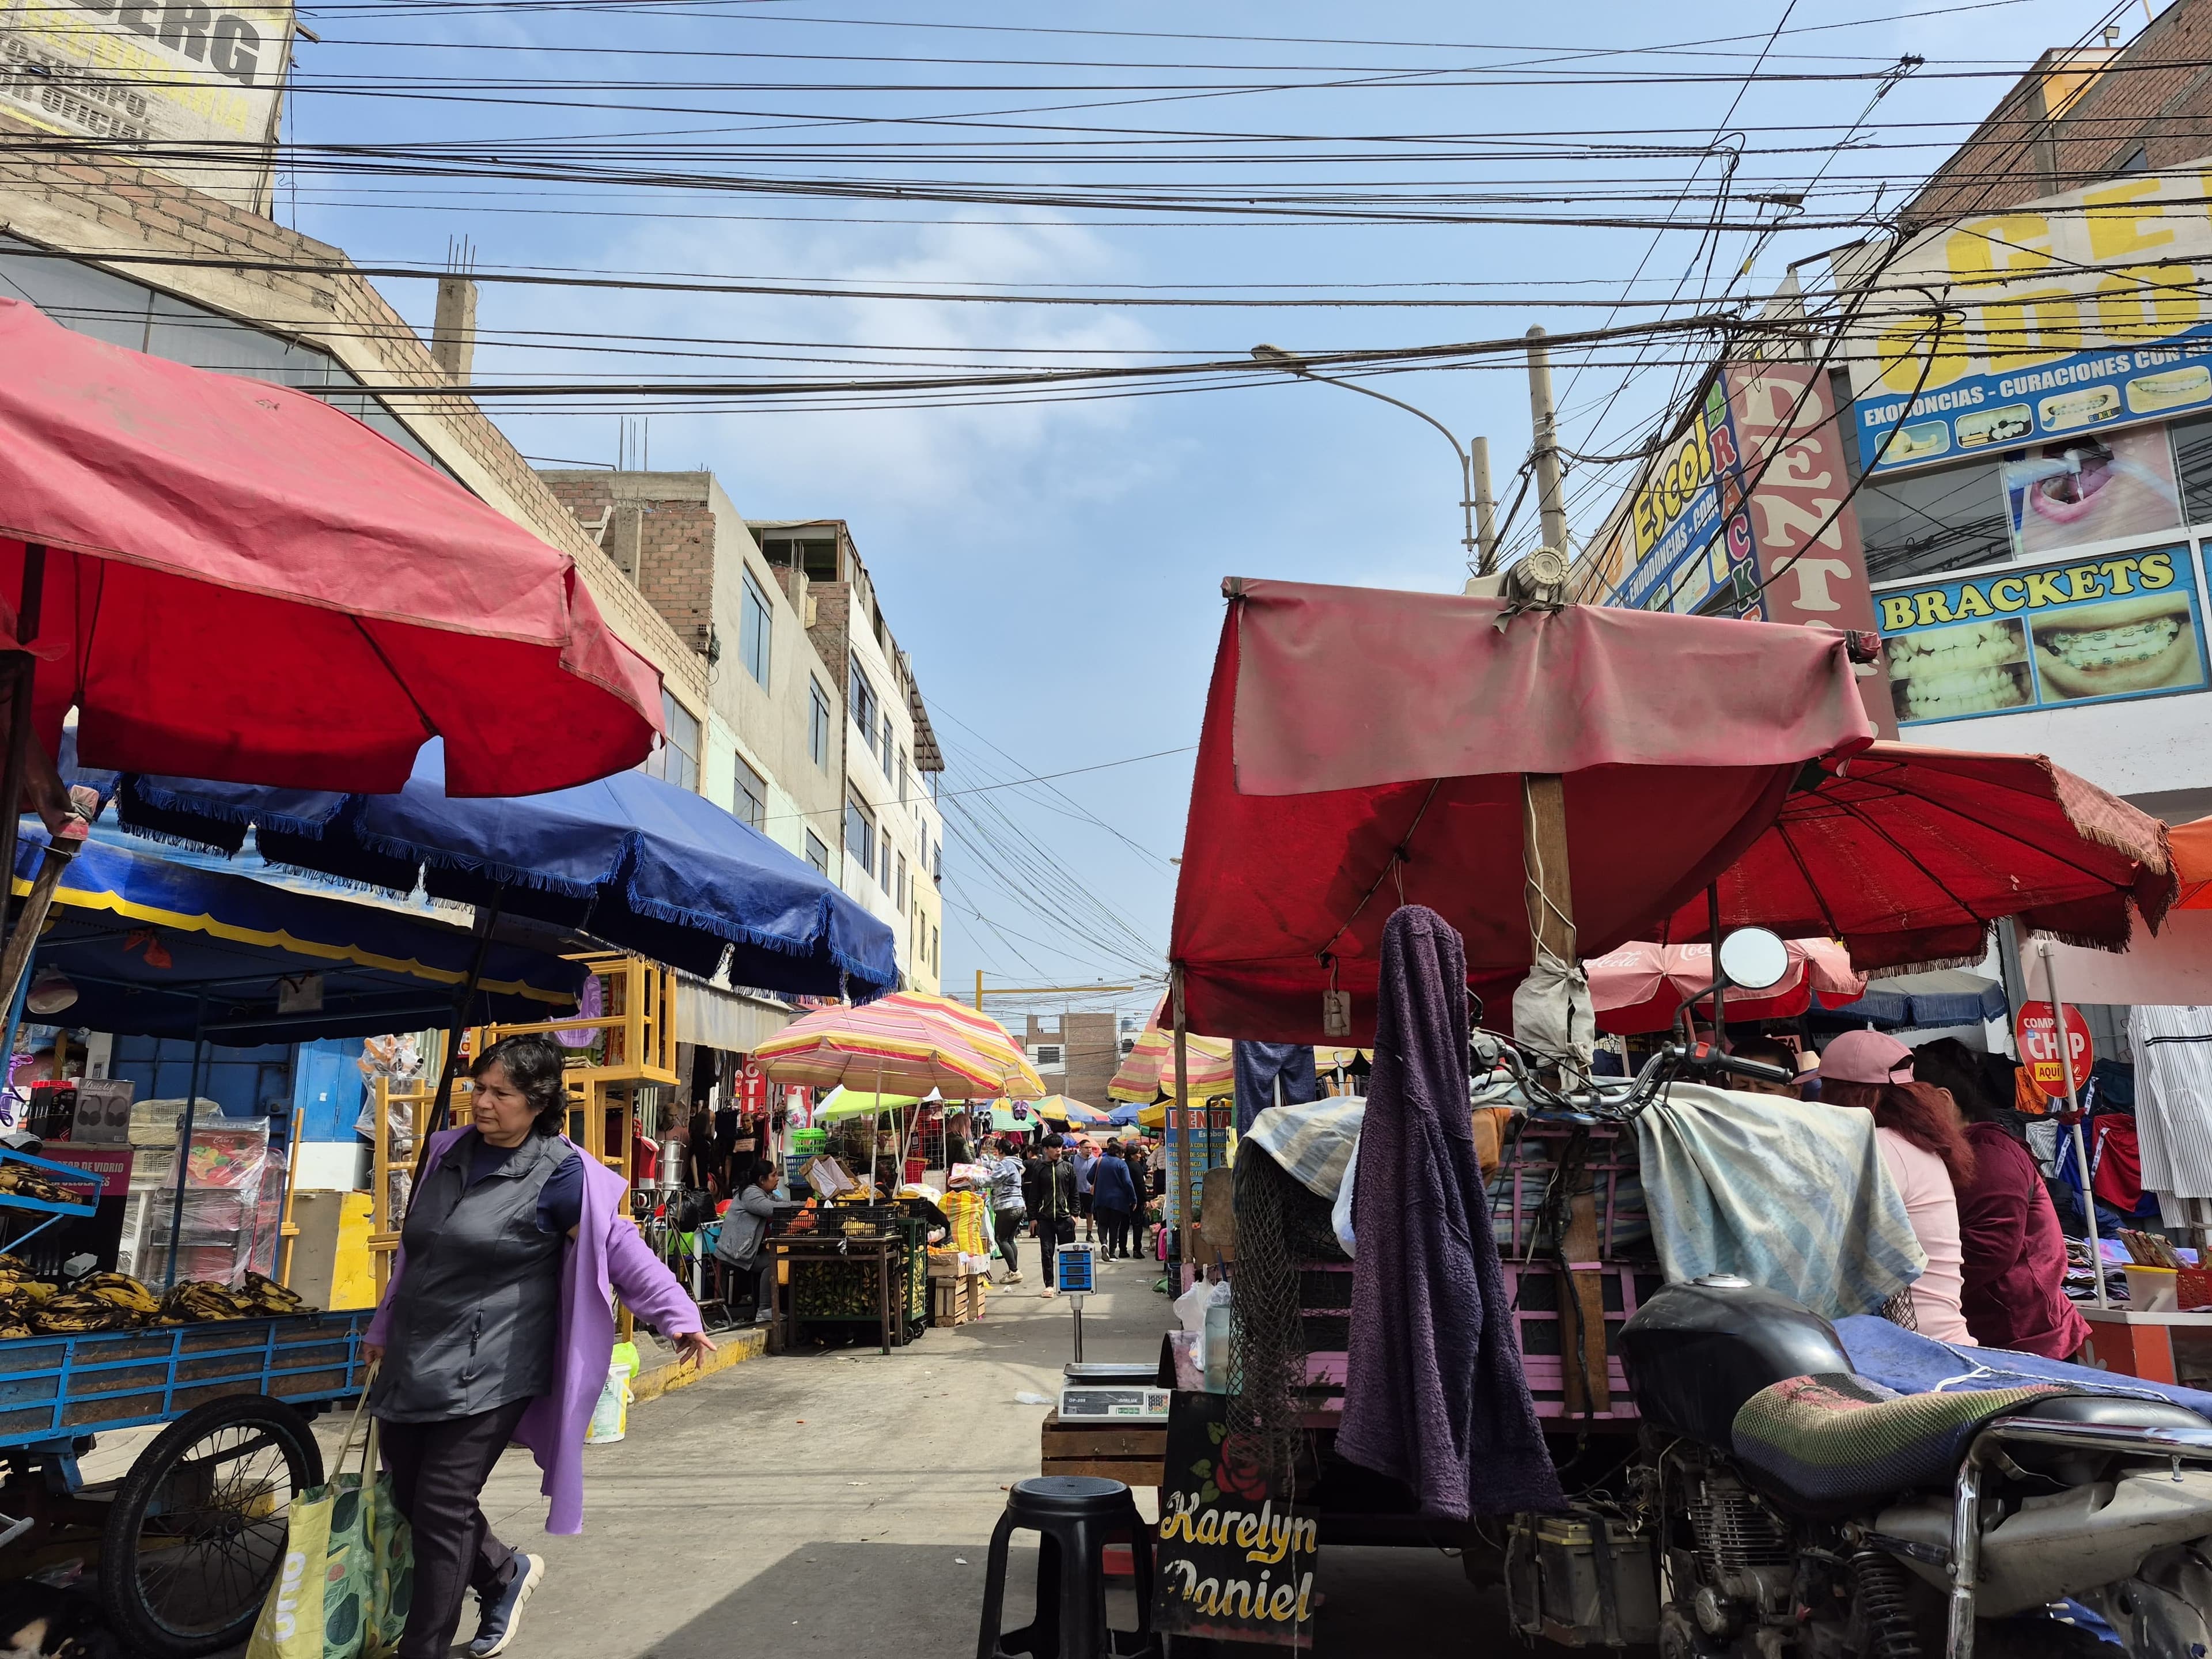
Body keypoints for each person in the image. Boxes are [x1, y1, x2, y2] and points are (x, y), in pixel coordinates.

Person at [365, 1034, 715, 1659]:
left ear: (539, 1100)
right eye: (479, 1088)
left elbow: (620, 1250)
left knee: (443, 1505)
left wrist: (677, 1315)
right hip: (418, 1353)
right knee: (407, 1493)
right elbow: (417, 1252)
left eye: (502, 1093)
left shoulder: (564, 1174)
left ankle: (422, 1650)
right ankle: (503, 1573)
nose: (483, 1102)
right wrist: (382, 1328)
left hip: (493, 1362)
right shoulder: (444, 1150)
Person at [1814, 1031, 1977, 1344]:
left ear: (1842, 1094)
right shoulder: (1910, 1143)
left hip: (1917, 1351)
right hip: (1938, 1338)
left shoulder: (1878, 1149)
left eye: (1824, 1087)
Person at [713, 1158, 781, 1324]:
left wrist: (806, 1206)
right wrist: (804, 1207)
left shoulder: (766, 1194)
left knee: (774, 1257)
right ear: (762, 1180)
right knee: (773, 1261)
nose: (778, 1178)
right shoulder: (751, 1193)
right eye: (774, 1175)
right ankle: (764, 1310)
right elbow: (771, 1209)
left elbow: (783, 1204)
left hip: (748, 1250)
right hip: (735, 1252)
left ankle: (765, 1305)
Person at [1024, 1133, 1077, 1297]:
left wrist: (1075, 1215)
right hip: (1045, 1220)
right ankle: (1049, 1285)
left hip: (1065, 1219)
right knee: (1047, 1253)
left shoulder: (1068, 1168)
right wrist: (1032, 1218)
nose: (1058, 1150)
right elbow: (1033, 1196)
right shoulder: (1039, 1169)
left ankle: (1068, 1283)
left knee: (1067, 1253)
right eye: (1054, 1148)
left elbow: (1074, 1193)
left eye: (1060, 1147)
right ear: (1046, 1150)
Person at [986, 1134, 1028, 1285]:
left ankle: (1015, 1271)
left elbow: (992, 1180)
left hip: (1007, 1206)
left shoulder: (1005, 1165)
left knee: (1000, 1239)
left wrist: (973, 1179)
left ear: (1001, 1152)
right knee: (1010, 1239)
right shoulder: (1016, 1164)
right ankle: (1013, 1271)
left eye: (997, 1152)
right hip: (1019, 1205)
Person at [1090, 1137, 1138, 1259]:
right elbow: (1128, 1182)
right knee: (1114, 1226)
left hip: (1101, 1199)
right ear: (1118, 1153)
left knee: (1102, 1224)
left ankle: (1103, 1244)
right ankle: (1112, 1253)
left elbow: (1090, 1177)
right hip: (1118, 1201)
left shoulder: (1100, 1161)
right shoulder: (1121, 1164)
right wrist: (1133, 1199)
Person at [1073, 1138, 1099, 1242]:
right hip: (1076, 1191)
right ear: (1080, 1148)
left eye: (1090, 1148)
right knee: (1075, 1213)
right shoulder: (1073, 1159)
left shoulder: (1096, 1160)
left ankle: (1089, 1234)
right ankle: (1073, 1234)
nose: (1089, 1150)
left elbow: (1098, 1175)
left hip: (1089, 1191)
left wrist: (1095, 1186)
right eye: (1086, 1148)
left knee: (1089, 1213)